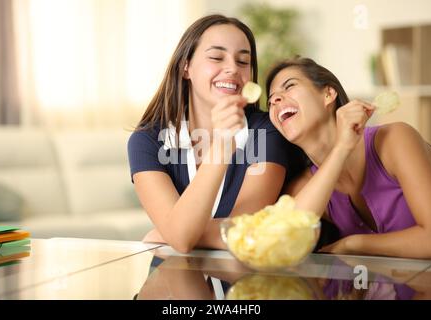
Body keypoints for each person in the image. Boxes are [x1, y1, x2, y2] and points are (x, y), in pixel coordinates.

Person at [127, 15, 303, 253]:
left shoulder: (266, 131)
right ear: (185, 66)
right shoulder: (147, 141)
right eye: (216, 57)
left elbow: (244, 232)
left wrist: (170, 232)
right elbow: (185, 237)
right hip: (174, 281)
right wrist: (221, 146)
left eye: (243, 61)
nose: (232, 68)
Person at [266, 56, 431, 259]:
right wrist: (341, 148)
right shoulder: (302, 189)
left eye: (289, 86)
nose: (275, 100)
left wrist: (353, 244)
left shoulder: (395, 140)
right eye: (270, 101)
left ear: (328, 94)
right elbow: (277, 249)